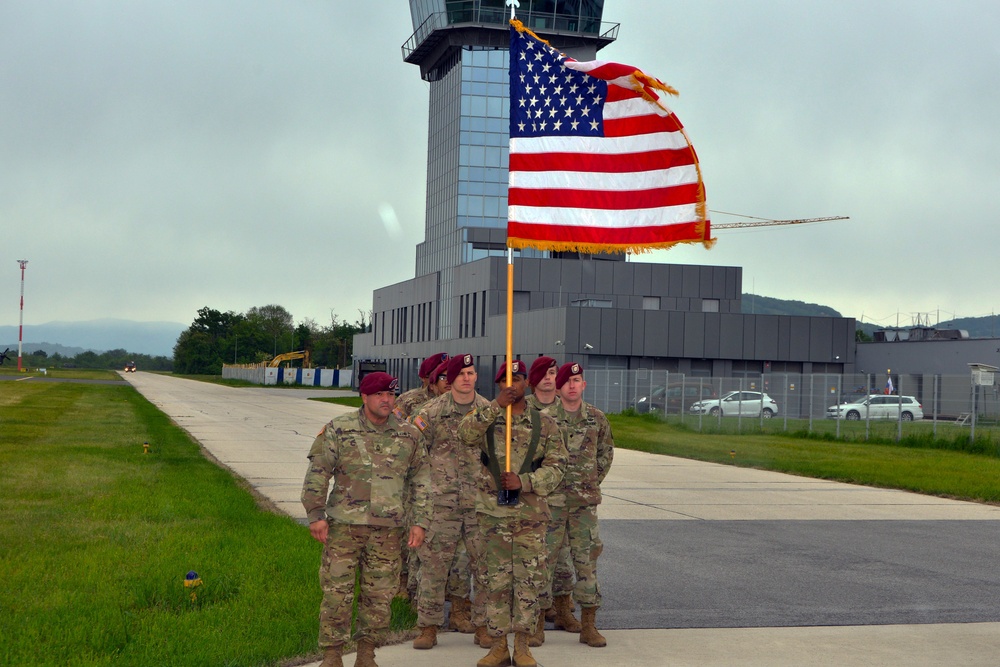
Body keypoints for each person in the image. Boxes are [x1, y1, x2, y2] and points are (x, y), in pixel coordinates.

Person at [301, 371, 431, 667]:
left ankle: (366, 655)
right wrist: (315, 514)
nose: (387, 400)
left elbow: (422, 479)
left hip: (387, 532)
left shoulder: (409, 434)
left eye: (391, 394)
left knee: (379, 596)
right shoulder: (339, 428)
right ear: (364, 397)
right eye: (380, 395)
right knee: (337, 592)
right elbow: (318, 472)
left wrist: (420, 521)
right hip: (343, 528)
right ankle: (332, 655)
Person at [459, 359, 567, 667]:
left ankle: (523, 645)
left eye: (517, 379)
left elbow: (558, 467)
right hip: (492, 516)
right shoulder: (486, 419)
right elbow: (465, 435)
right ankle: (497, 646)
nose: (512, 385)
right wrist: (495, 406)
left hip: (530, 517)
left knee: (527, 582)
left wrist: (527, 481)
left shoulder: (544, 424)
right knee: (494, 582)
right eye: (506, 380)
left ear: (526, 384)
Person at [410, 354, 491, 649]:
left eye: (471, 373)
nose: (467, 378)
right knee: (433, 566)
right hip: (441, 503)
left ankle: (484, 626)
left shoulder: (489, 412)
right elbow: (413, 454)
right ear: (451, 379)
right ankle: (428, 627)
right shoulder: (430, 412)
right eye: (461, 374)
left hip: (480, 502)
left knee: (483, 567)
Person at [541, 362, 614, 649]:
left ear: (584, 385)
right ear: (558, 388)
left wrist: (590, 482)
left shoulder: (597, 418)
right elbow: (535, 458)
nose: (572, 385)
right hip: (552, 504)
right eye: (567, 381)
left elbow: (605, 455)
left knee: (586, 563)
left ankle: (589, 625)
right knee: (542, 562)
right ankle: (535, 625)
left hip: (584, 506)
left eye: (577, 380)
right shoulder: (545, 419)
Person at [525, 356, 577, 636]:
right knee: (536, 558)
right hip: (531, 498)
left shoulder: (568, 410)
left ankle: (563, 610)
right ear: (533, 380)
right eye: (543, 373)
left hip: (565, 497)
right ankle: (535, 614)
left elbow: (591, 456)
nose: (549, 378)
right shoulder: (522, 410)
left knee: (564, 558)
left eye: (553, 373)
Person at [393, 352, 447, 599]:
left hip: (444, 480)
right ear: (428, 378)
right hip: (413, 477)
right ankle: (403, 583)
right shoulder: (410, 400)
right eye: (441, 374)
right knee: (409, 531)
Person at [396, 352, 448, 419]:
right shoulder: (407, 399)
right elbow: (395, 423)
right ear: (423, 378)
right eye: (439, 376)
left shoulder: (458, 399)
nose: (446, 380)